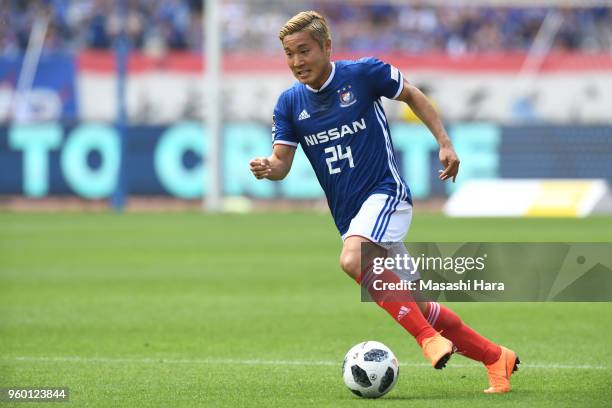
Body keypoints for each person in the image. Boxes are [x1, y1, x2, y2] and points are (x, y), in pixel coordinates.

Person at [249, 10, 519, 394]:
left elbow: (411, 93)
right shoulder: (290, 104)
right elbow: (281, 165)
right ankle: (497, 358)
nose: (297, 62)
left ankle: (426, 340)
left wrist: (444, 141)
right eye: (289, 54)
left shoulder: (362, 74)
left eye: (304, 51)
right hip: (352, 216)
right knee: (420, 306)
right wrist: (267, 167)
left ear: (327, 47)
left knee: (352, 259)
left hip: (386, 194)